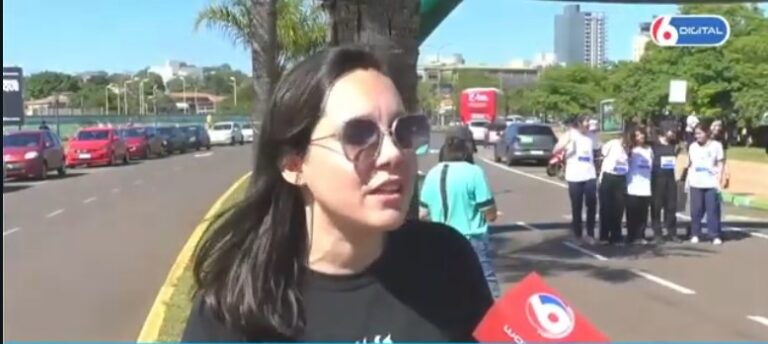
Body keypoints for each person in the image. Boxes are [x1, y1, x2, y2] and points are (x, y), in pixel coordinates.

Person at [181, 45, 493, 342]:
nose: (393, 154)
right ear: (294, 164)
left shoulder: (447, 260)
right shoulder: (233, 311)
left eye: (404, 130)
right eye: (359, 135)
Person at [419, 136, 501, 298]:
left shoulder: (432, 174)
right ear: (466, 154)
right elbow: (489, 212)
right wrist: (491, 215)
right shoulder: (474, 172)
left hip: (440, 239)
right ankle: (494, 318)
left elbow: (422, 213)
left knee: (446, 284)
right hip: (471, 238)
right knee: (486, 280)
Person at [554, 115, 598, 244]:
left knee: (592, 204)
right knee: (577, 205)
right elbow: (555, 150)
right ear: (579, 123)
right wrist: (565, 144)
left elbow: (597, 150)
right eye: (586, 122)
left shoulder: (591, 136)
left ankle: (590, 233)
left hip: (589, 174)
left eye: (589, 123)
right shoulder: (570, 135)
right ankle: (577, 234)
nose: (588, 125)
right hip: (574, 176)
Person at [687, 124, 726, 245]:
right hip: (696, 182)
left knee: (713, 209)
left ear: (706, 133)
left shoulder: (716, 146)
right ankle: (695, 233)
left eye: (699, 133)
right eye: (695, 134)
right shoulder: (692, 146)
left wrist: (719, 179)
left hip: (711, 183)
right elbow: (690, 164)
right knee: (696, 210)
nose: (697, 136)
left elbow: (720, 163)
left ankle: (714, 234)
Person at [651, 122, 681, 243]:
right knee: (656, 207)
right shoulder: (654, 145)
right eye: (671, 131)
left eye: (674, 131)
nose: (673, 133)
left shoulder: (675, 145)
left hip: (670, 179)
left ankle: (671, 232)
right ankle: (657, 233)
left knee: (671, 207)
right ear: (664, 130)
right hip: (657, 178)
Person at [597, 134, 629, 245]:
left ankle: (616, 236)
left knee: (619, 209)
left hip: (621, 178)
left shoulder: (630, 148)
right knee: (606, 208)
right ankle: (604, 236)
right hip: (608, 176)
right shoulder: (613, 143)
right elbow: (602, 152)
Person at [625, 125, 653, 245]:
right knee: (632, 213)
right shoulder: (631, 150)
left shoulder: (649, 149)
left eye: (642, 134)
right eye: (637, 135)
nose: (640, 136)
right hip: (632, 186)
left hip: (645, 186)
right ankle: (631, 236)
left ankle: (640, 235)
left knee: (643, 214)